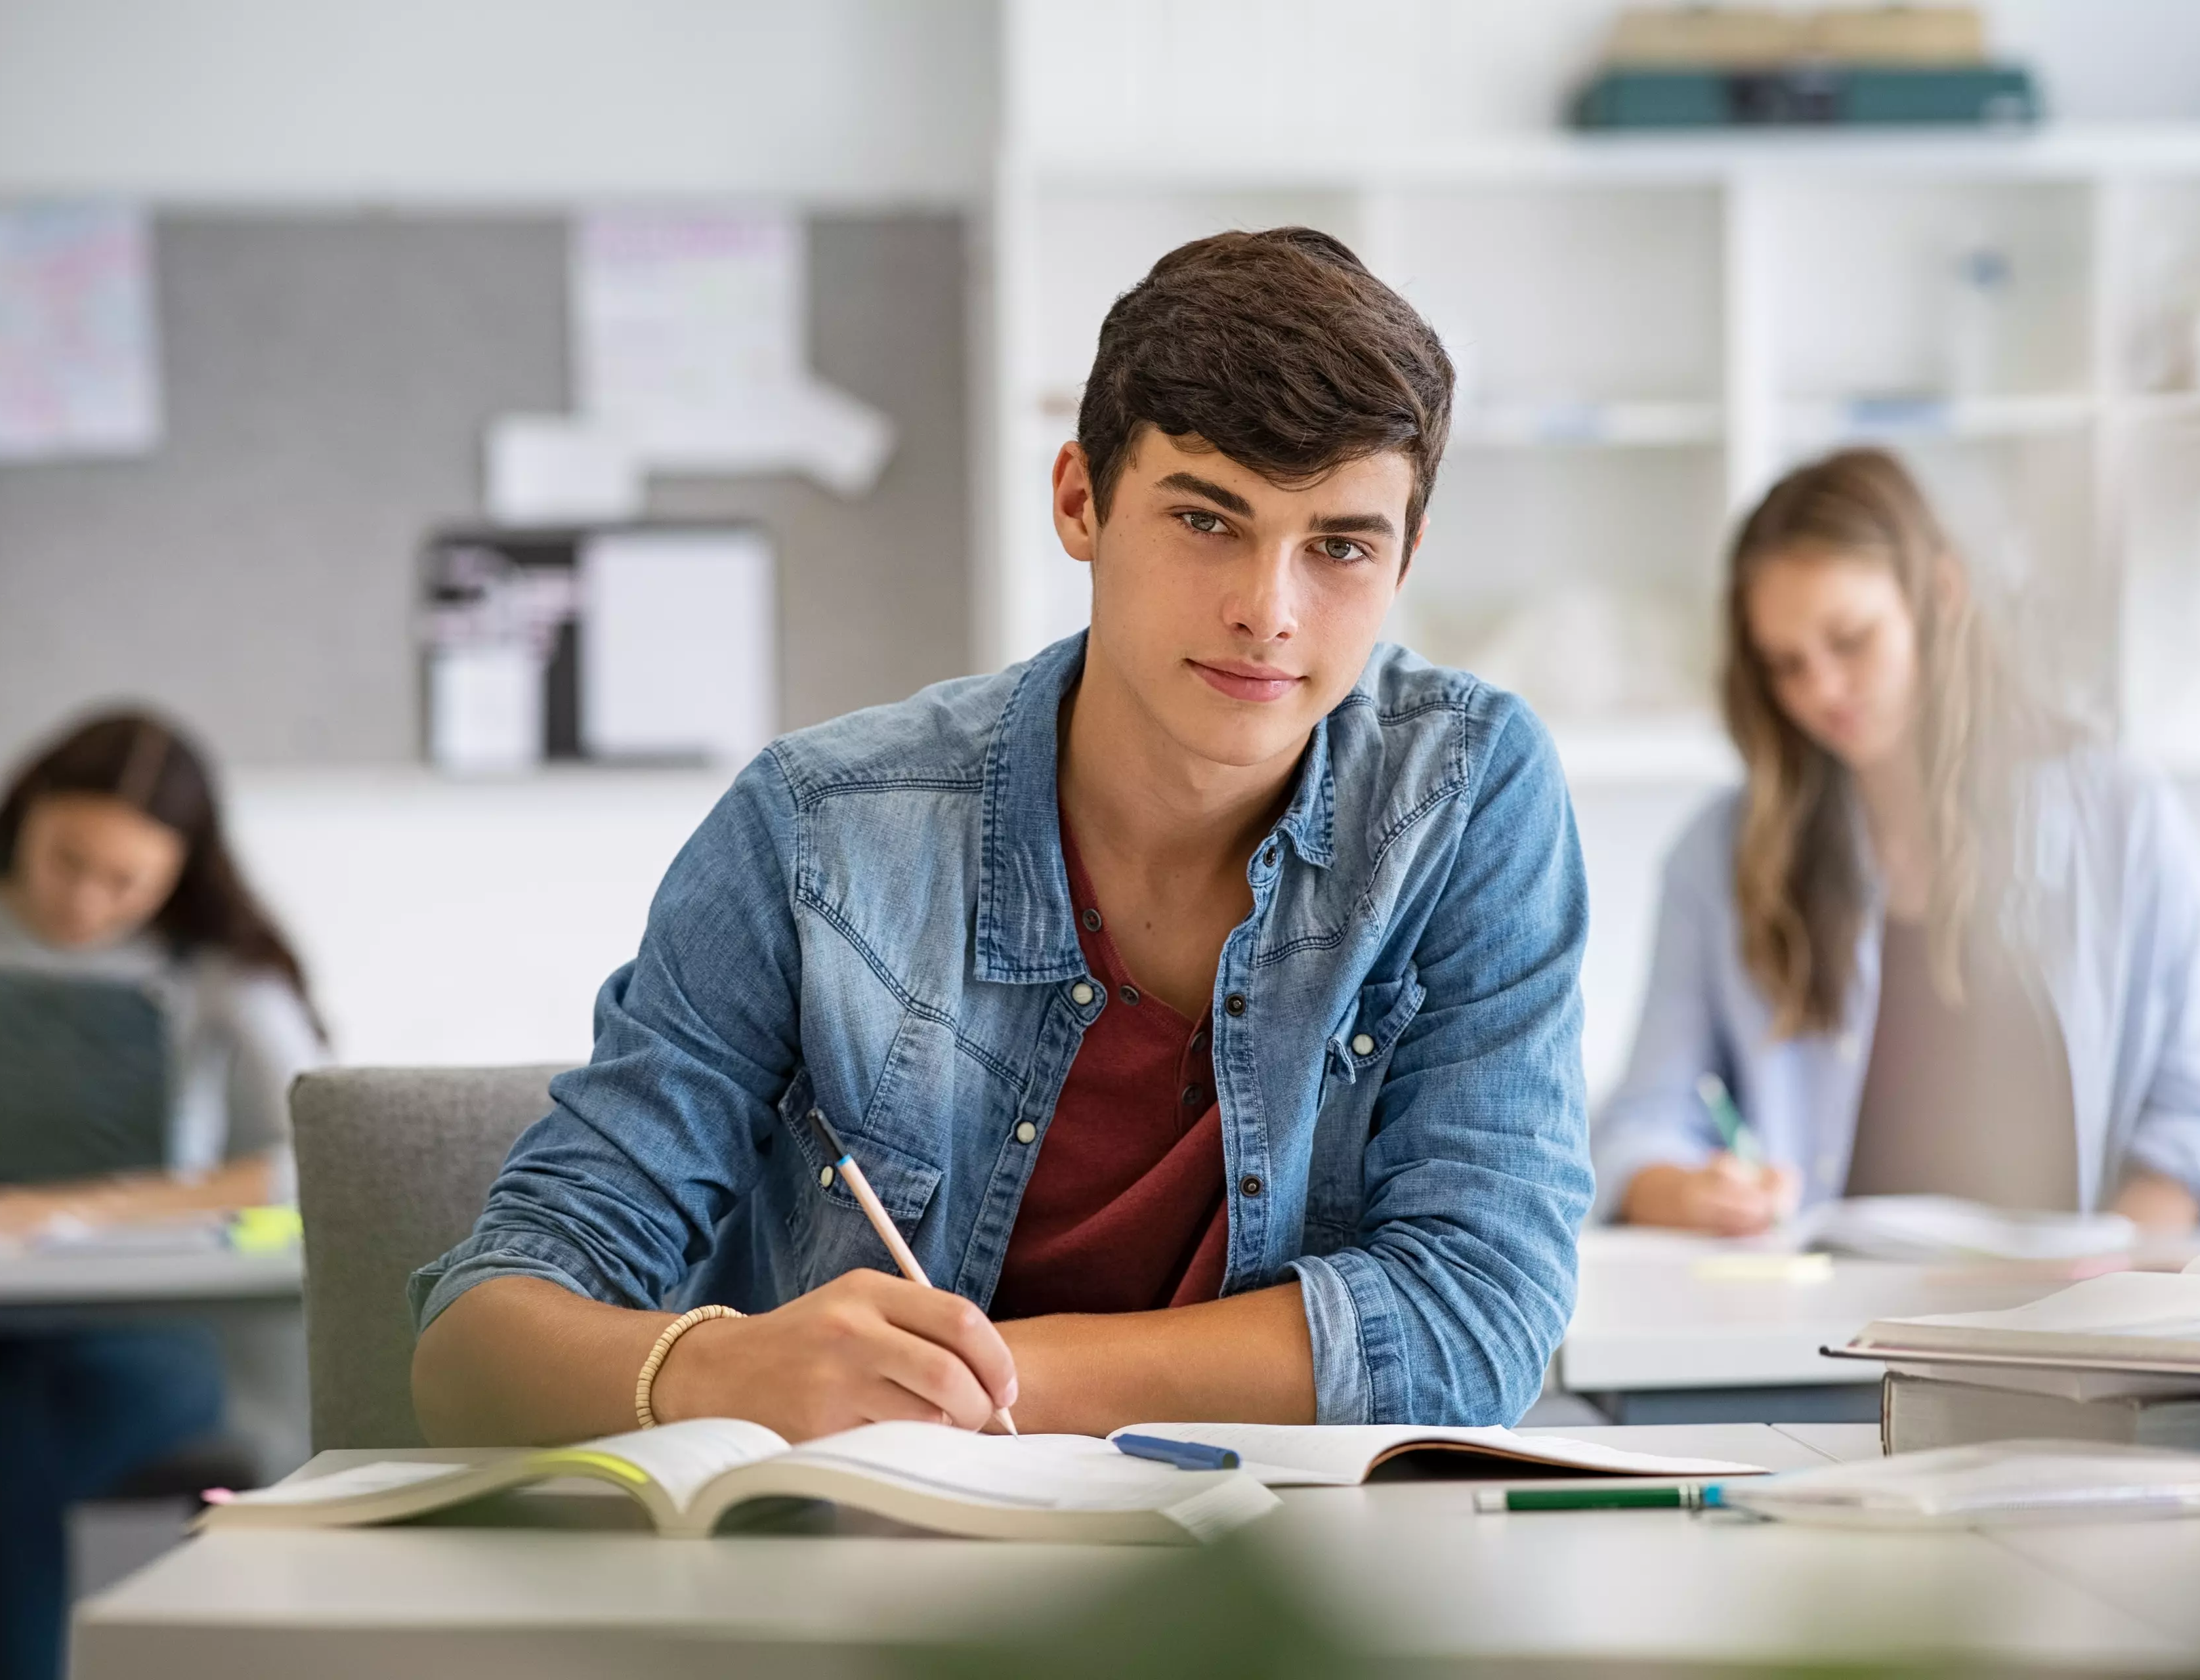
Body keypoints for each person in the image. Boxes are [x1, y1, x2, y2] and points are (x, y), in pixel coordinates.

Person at [410, 228, 1591, 1447]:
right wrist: (726, 1374)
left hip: (1290, 1588)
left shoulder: (1461, 792)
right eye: (1206, 521)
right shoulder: (819, 834)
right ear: (1081, 500)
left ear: (1405, 560)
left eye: (1341, 546)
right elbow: (472, 1342)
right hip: (886, 1589)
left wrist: (959, 1389)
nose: (1268, 612)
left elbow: (1478, 1322)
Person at [1595, 448, 2200, 1238]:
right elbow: (1640, 1125)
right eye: (1786, 666)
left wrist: (2101, 1295)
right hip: (1815, 1336)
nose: (1822, 691)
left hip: (2069, 1331)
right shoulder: (1719, 852)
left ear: (1942, 594)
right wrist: (1690, 1191)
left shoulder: (2124, 816)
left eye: (1850, 641)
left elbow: (2193, 1134)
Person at [0, 709, 327, 1680]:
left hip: (141, 1338)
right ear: (24, 821)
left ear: (181, 871)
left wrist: (81, 1207)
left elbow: (317, 1150)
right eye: (67, 861)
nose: (87, 902)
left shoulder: (216, 966)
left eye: (125, 880)